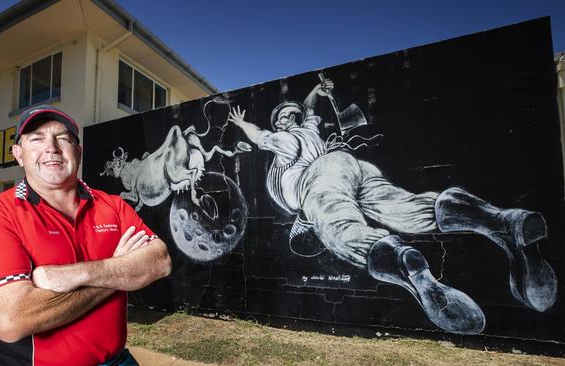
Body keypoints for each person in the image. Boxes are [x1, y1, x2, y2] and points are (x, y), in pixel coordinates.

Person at [228, 81, 556, 335]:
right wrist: (314, 91)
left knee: (338, 228)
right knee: (406, 208)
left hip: (320, 180)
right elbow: (310, 108)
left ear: (286, 122)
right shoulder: (310, 128)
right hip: (353, 166)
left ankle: (399, 258)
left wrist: (242, 124)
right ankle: (499, 221)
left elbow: (260, 136)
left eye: (284, 116)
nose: (284, 120)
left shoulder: (286, 141)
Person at [0, 105, 172, 365]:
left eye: (63, 138)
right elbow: (12, 320)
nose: (52, 147)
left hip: (116, 361)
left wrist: (71, 275)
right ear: (19, 154)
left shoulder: (114, 206)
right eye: (37, 139)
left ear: (78, 152)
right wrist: (117, 270)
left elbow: (159, 261)